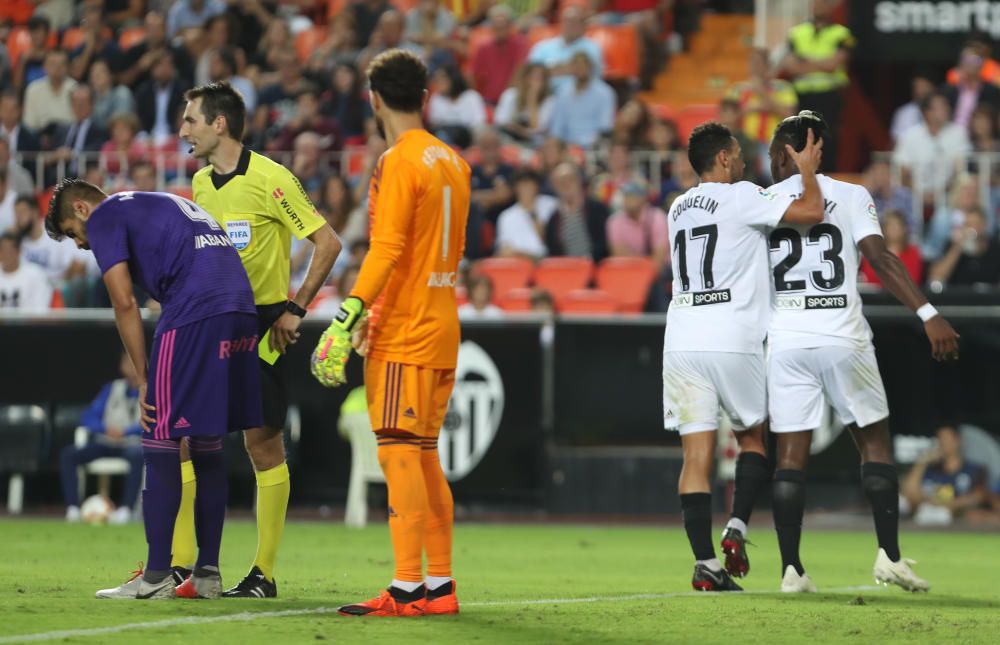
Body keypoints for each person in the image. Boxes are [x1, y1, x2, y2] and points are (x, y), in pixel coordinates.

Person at [764, 111, 959, 593]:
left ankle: (791, 570)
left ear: (784, 153)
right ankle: (889, 558)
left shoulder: (760, 202)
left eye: (773, 153)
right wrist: (927, 312)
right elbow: (880, 259)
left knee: (790, 456)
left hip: (786, 340)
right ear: (817, 152)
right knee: (874, 444)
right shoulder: (850, 196)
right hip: (842, 336)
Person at [45, 179, 262, 600]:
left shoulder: (106, 216)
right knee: (206, 442)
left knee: (159, 434)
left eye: (73, 232)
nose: (78, 245)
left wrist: (144, 379)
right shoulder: (151, 203)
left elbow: (124, 302)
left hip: (196, 311)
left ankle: (158, 575)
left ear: (82, 209)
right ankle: (208, 573)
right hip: (239, 308)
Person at [311, 48, 469, 617]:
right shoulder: (454, 161)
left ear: (373, 98)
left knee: (400, 454)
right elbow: (440, 250)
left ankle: (406, 587)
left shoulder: (397, 161)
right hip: (444, 321)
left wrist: (353, 311)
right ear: (424, 97)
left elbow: (388, 249)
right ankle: (441, 586)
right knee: (425, 455)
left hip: (406, 329)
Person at [178, 81, 342, 598]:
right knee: (182, 436)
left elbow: (327, 242)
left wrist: (296, 308)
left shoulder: (272, 179)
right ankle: (182, 567)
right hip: (212, 321)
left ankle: (263, 575)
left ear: (219, 123)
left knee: (262, 443)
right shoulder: (201, 183)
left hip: (262, 323)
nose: (184, 129)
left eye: (191, 120)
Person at [663, 120, 825, 592]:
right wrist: (808, 170)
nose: (742, 161)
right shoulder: (743, 195)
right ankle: (737, 526)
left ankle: (704, 564)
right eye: (736, 154)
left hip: (682, 338)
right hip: (731, 334)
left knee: (696, 454)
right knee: (753, 438)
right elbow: (811, 211)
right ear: (723, 160)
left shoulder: (676, 208)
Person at [60, 351, 144, 526]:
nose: (131, 366)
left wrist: (128, 431)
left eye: (135, 361)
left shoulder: (151, 391)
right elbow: (88, 417)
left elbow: (157, 420)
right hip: (105, 442)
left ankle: (125, 509)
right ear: (121, 366)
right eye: (127, 362)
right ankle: (73, 509)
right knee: (69, 454)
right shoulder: (112, 388)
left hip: (132, 444)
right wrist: (105, 429)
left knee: (139, 455)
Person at [778, 0, 853, 171]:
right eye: (816, 3)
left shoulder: (841, 33)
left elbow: (834, 64)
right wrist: (822, 64)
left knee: (828, 138)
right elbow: (790, 66)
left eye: (823, 3)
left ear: (830, 7)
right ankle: (802, 177)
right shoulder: (797, 32)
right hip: (803, 96)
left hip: (829, 96)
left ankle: (827, 178)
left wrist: (805, 60)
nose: (819, 7)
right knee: (801, 138)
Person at [902, 425, 989, 525]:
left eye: (947, 439)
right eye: (940, 439)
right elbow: (909, 493)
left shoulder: (973, 469)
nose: (943, 443)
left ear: (957, 441)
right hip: (926, 519)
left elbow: (979, 497)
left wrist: (948, 505)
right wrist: (922, 462)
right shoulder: (930, 470)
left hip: (960, 523)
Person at [893, 92, 971, 198]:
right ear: (927, 113)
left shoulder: (958, 132)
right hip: (914, 195)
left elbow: (960, 170)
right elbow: (902, 172)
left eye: (946, 106)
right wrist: (920, 195)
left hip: (950, 194)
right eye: (940, 107)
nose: (946, 110)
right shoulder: (911, 135)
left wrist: (941, 194)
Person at [544, 161, 610, 262]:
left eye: (570, 179)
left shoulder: (598, 210)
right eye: (560, 182)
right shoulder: (553, 220)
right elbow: (553, 253)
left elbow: (605, 244)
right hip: (568, 272)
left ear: (578, 180)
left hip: (597, 269)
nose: (566, 185)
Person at [548, 52, 616, 149]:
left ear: (590, 67)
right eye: (575, 65)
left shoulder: (605, 93)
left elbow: (605, 128)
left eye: (582, 65)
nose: (579, 69)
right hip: (566, 147)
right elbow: (557, 127)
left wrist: (588, 146)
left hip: (593, 147)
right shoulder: (563, 91)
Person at [527, 6, 603, 91]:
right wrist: (570, 69)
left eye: (575, 22)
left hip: (579, 96)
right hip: (545, 94)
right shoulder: (543, 46)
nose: (570, 25)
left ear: (583, 25)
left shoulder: (592, 48)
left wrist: (552, 70)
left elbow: (590, 74)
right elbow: (531, 71)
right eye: (567, 21)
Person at [470, 4, 529, 105]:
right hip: (486, 100)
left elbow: (519, 74)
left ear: (510, 26)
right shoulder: (483, 48)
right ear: (491, 27)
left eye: (503, 25)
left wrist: (505, 99)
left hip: (511, 100)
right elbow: (474, 77)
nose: (499, 28)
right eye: (496, 25)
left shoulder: (520, 44)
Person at [928, 206, 1000, 288]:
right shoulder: (952, 245)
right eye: (967, 224)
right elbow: (936, 277)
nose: (971, 228)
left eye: (975, 224)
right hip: (958, 298)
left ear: (984, 225)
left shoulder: (995, 249)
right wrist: (957, 248)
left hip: (988, 298)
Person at [606, 179, 669, 272]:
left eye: (632, 196)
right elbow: (619, 255)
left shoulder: (657, 217)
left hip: (659, 272)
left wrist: (638, 262)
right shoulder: (614, 222)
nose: (627, 200)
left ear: (642, 198)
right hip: (628, 272)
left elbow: (659, 259)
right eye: (625, 196)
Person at [495, 168, 558, 259]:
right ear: (515, 188)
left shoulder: (552, 205)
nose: (526, 188)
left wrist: (532, 212)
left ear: (537, 185)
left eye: (529, 183)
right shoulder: (506, 216)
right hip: (517, 263)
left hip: (545, 260)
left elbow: (552, 242)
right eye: (521, 185)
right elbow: (503, 248)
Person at [427, 65, 487, 148]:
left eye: (442, 78)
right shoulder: (436, 99)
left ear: (453, 78)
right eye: (437, 79)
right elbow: (435, 124)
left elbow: (479, 123)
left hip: (469, 137)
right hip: (445, 137)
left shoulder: (472, 96)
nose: (438, 82)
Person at [494, 62, 554, 145]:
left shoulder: (549, 102)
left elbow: (537, 129)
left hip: (532, 143)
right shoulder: (510, 94)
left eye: (540, 78)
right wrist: (520, 130)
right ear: (525, 78)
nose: (535, 81)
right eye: (532, 77)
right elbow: (500, 121)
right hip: (507, 138)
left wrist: (532, 99)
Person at [860, 209, 923, 287]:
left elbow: (912, 280)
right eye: (890, 225)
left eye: (898, 225)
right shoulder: (872, 253)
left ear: (904, 229)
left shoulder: (913, 253)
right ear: (883, 229)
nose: (894, 229)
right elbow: (869, 280)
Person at [942, 46, 1000, 128]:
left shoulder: (992, 92)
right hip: (952, 135)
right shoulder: (948, 90)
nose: (969, 64)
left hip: (978, 137)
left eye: (974, 60)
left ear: (982, 64)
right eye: (966, 59)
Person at [22, 49, 77, 134]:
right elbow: (29, 125)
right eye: (53, 64)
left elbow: (79, 123)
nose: (57, 68)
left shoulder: (75, 88)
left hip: (69, 137)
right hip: (39, 138)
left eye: (62, 64)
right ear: (44, 67)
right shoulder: (33, 89)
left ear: (68, 67)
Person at [0, 231, 52, 311]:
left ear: (18, 251)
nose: (5, 254)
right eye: (2, 250)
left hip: (28, 323)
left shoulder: (36, 275)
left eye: (9, 251)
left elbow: (40, 311)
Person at [890, 73, 936, 143]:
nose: (919, 91)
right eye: (917, 87)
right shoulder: (903, 112)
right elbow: (897, 140)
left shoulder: (941, 110)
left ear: (933, 88)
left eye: (924, 86)